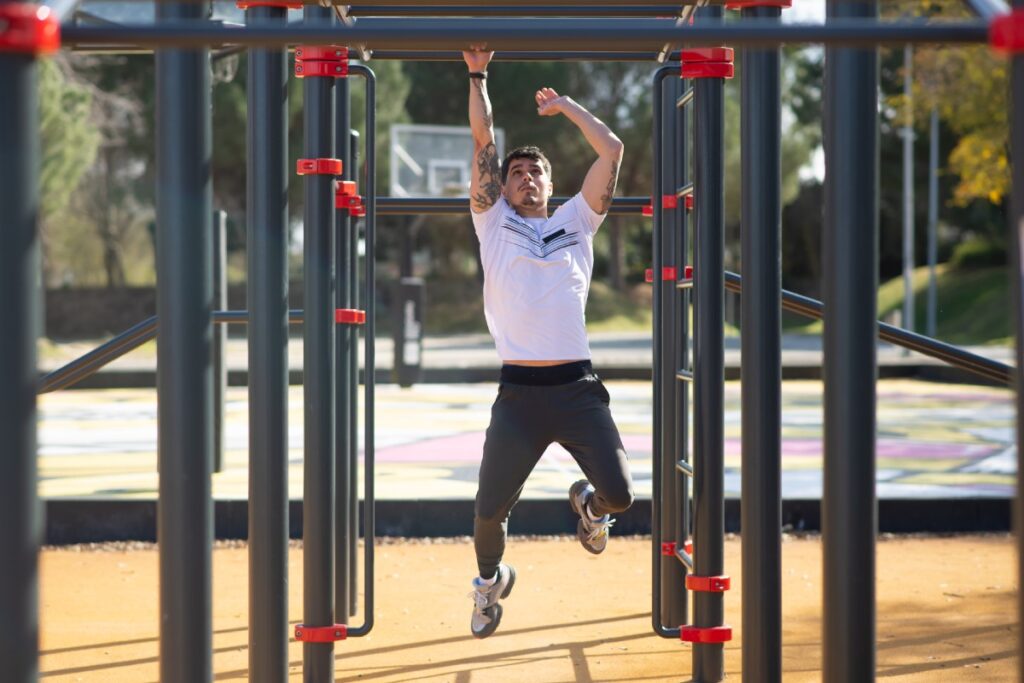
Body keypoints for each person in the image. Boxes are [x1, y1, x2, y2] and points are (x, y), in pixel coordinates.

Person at [463, 47, 635, 638]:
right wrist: (478, 73)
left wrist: (566, 108)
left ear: (551, 183)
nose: (525, 177)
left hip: (577, 388)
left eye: (535, 172)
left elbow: (611, 150)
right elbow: (483, 138)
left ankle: (589, 506)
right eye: (516, 174)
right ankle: (489, 584)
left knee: (622, 496)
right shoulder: (492, 221)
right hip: (519, 397)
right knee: (488, 512)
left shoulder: (577, 220)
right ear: (502, 189)